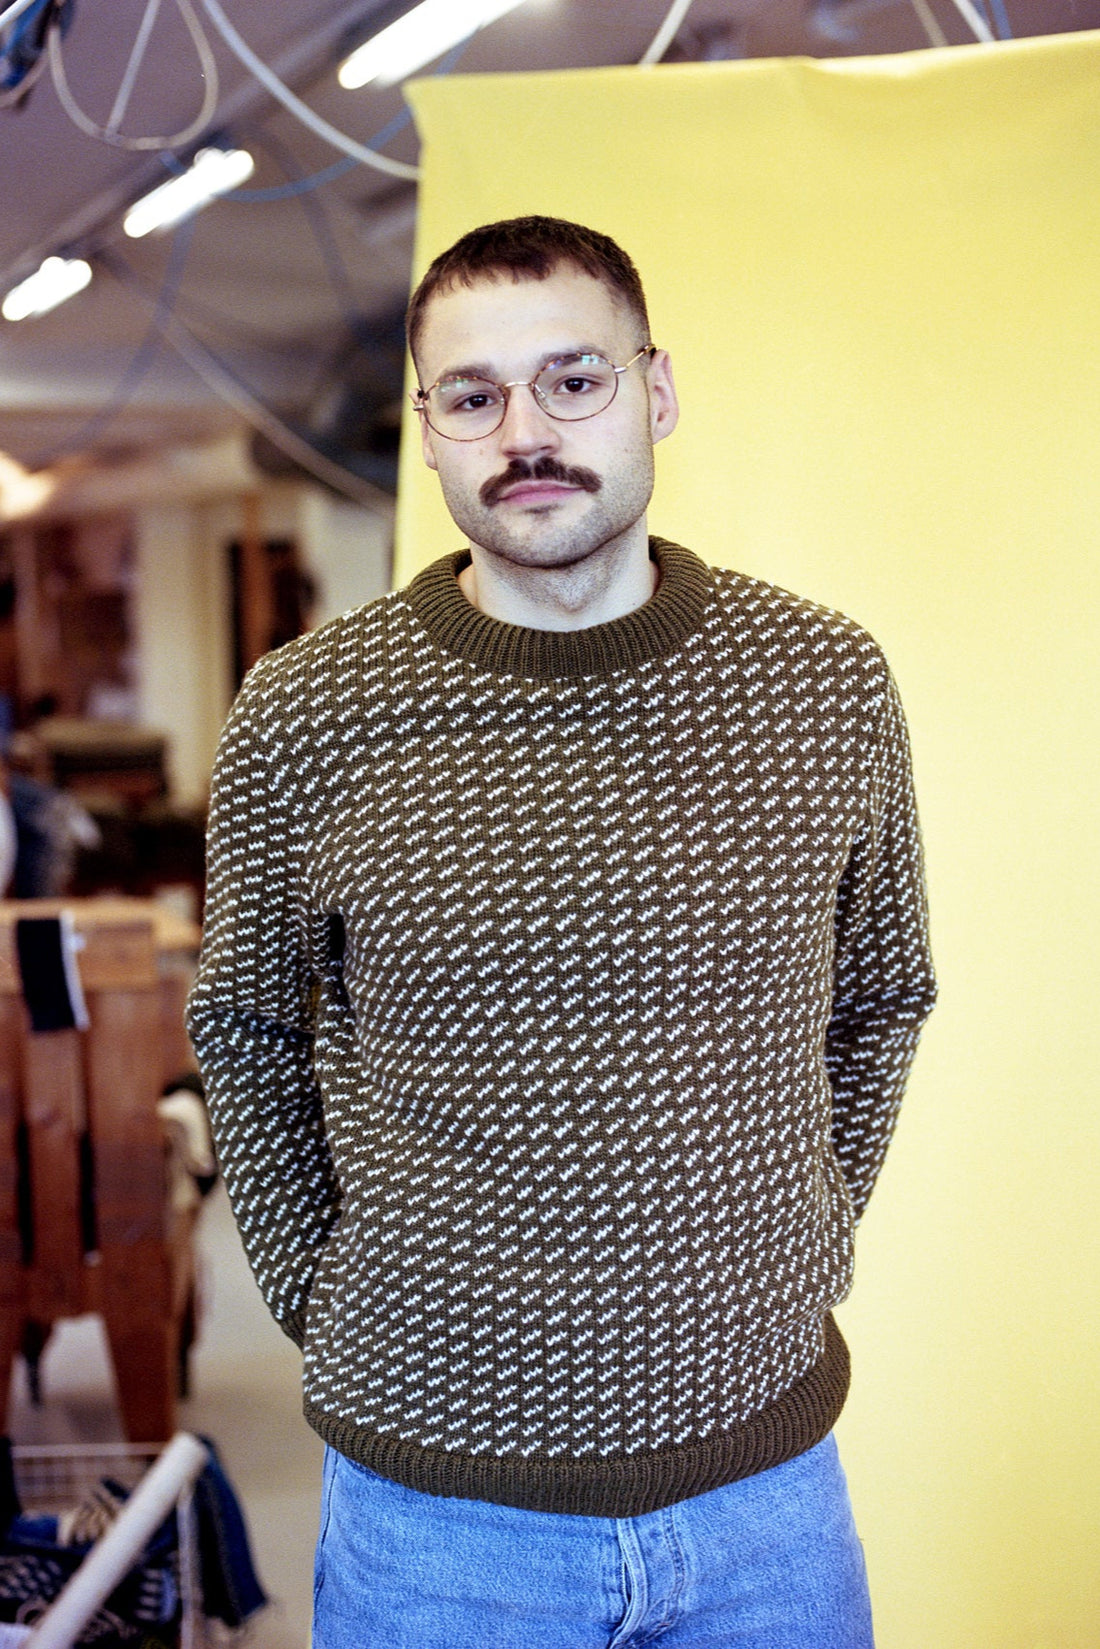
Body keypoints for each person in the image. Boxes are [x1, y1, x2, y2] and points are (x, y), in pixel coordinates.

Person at [187, 215, 936, 1648]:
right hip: (435, 1523)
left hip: (763, 1497)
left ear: (656, 390)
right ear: (428, 432)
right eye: (473, 396)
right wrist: (321, 1292)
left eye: (574, 381)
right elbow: (246, 1025)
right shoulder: (306, 714)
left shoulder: (823, 679)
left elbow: (883, 990)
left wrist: (804, 1237)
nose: (526, 432)